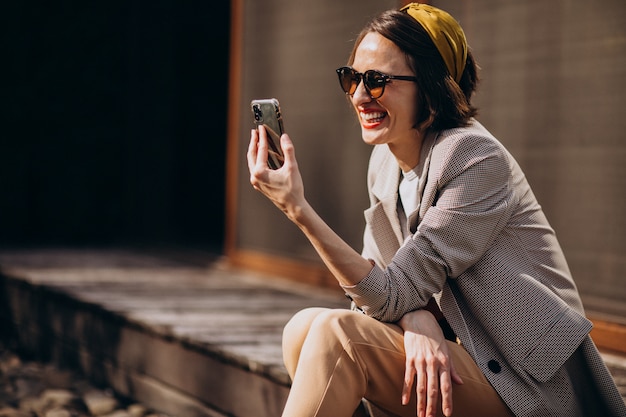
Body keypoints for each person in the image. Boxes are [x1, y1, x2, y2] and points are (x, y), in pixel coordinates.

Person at [247, 3, 626, 417]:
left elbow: (386, 293)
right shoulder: (386, 163)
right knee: (301, 329)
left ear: (430, 86)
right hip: (458, 364)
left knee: (336, 336)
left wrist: (298, 210)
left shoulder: (474, 159)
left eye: (377, 81)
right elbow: (381, 288)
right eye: (352, 77)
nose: (359, 95)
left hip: (526, 387)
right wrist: (418, 320)